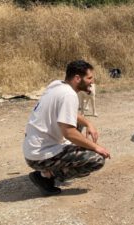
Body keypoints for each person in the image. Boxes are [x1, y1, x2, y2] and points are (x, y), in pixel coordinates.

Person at [23, 60, 111, 196]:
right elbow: (69, 132)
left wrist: (88, 123)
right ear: (77, 78)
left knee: (79, 122)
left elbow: (71, 114)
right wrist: (96, 147)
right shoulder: (69, 95)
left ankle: (53, 166)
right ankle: (45, 176)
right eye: (89, 78)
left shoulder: (56, 85)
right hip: (40, 156)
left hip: (32, 149)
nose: (92, 82)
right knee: (96, 159)